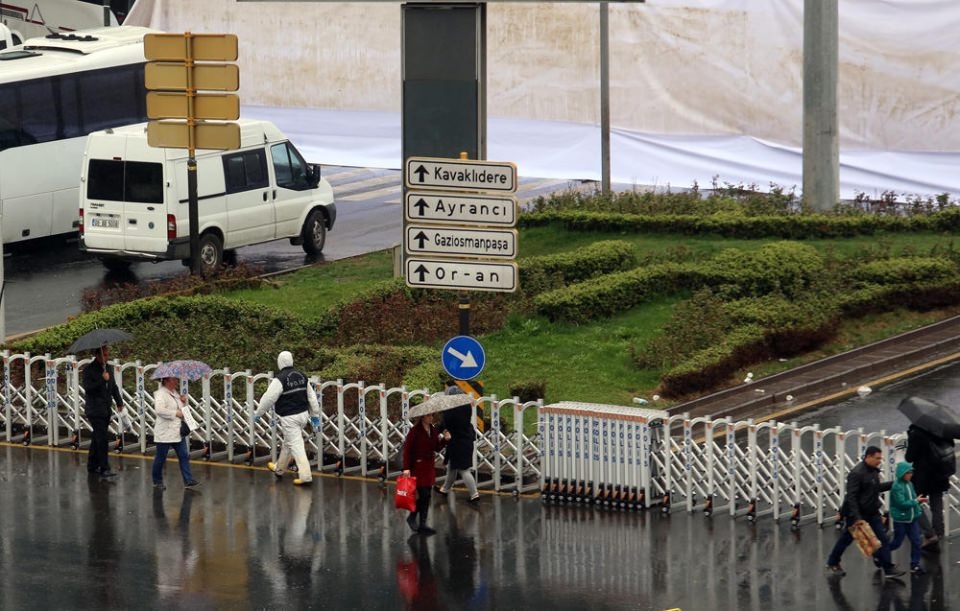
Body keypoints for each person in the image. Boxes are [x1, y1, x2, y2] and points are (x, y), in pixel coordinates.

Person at [825, 445, 906, 578]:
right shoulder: (856, 473)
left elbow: (875, 488)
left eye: (880, 458)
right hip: (857, 514)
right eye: (877, 458)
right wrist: (857, 517)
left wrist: (894, 483)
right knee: (846, 540)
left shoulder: (873, 471)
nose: (879, 461)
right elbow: (851, 496)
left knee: (883, 539)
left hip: (872, 512)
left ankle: (887, 567)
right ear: (868, 457)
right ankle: (833, 561)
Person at [254, 351, 321, 485]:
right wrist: (315, 414)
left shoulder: (280, 379)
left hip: (289, 417)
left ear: (280, 362)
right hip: (303, 415)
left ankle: (306, 476)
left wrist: (258, 413)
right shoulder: (302, 376)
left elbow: (268, 398)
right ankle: (279, 468)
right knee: (288, 443)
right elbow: (311, 396)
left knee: (297, 445)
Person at [904, 422, 959, 549]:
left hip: (923, 476)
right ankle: (938, 531)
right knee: (936, 503)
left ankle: (929, 534)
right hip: (940, 474)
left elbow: (909, 457)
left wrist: (910, 437)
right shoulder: (943, 429)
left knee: (912, 502)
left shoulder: (917, 432)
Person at [82, 345, 124, 479]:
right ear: (98, 355)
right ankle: (104, 467)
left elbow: (113, 386)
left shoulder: (109, 368)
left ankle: (92, 464)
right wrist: (101, 379)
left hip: (106, 408)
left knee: (97, 438)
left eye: (107, 354)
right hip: (95, 409)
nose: (107, 357)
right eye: (104, 355)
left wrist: (119, 402)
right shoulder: (89, 370)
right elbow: (88, 388)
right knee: (102, 439)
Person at [152, 376, 200, 490]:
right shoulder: (160, 394)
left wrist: (183, 402)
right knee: (161, 457)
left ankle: (188, 480)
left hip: (177, 431)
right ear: (166, 380)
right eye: (174, 379)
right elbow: (159, 410)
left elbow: (182, 411)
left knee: (184, 455)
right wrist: (175, 413)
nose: (177, 381)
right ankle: (157, 481)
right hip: (165, 432)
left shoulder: (175, 393)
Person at [402, 412, 446, 535]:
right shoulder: (415, 431)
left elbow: (437, 447)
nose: (431, 418)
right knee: (424, 494)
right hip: (418, 466)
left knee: (427, 496)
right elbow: (407, 450)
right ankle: (412, 517)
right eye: (428, 416)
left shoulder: (433, 430)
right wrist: (406, 468)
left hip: (428, 466)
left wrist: (445, 440)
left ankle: (422, 523)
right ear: (422, 417)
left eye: (432, 416)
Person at [436, 386, 480, 505]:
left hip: (457, 441)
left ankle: (474, 495)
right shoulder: (466, 406)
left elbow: (445, 423)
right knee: (453, 466)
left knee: (463, 469)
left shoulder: (450, 409)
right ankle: (444, 489)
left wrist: (442, 428)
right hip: (466, 439)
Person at [887, 461, 927, 574]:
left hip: (911, 518)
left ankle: (915, 564)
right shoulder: (897, 487)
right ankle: (881, 553)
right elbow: (902, 504)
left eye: (911, 472)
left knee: (916, 541)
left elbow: (912, 499)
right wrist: (916, 501)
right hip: (901, 520)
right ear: (902, 473)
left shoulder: (909, 484)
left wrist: (917, 502)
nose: (911, 474)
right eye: (909, 472)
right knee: (897, 542)